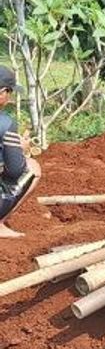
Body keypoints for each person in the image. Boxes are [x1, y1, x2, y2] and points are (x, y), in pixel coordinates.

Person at [0, 67, 41, 239]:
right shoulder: (5, 123)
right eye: (9, 92)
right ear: (2, 92)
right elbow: (15, 170)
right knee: (33, 168)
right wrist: (20, 149)